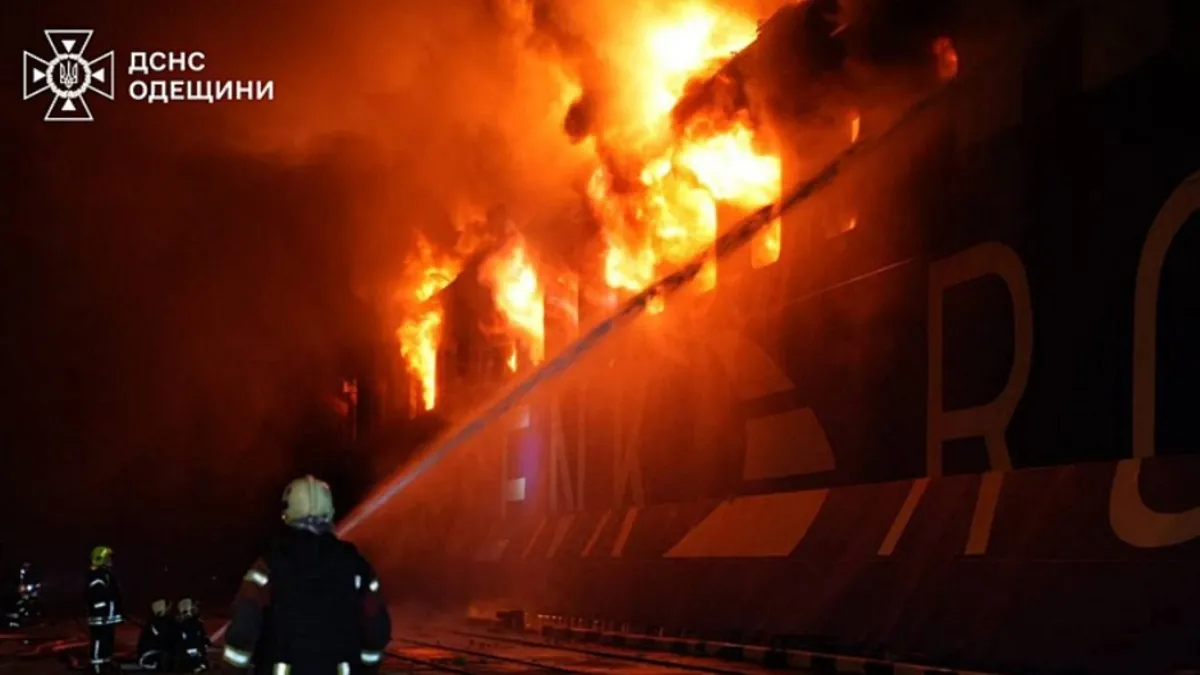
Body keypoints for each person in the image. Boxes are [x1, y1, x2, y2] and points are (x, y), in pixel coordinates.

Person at [222, 475, 391, 675]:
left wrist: (233, 670)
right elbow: (377, 630)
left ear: (287, 512)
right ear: (330, 512)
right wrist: (366, 669)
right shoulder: (358, 569)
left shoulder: (267, 568)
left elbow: (243, 630)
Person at [86, 546, 124, 675]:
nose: (110, 560)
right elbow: (97, 596)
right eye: (107, 558)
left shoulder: (107, 574)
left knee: (108, 640)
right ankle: (96, 665)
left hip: (107, 617)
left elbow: (113, 595)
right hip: (100, 617)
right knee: (99, 640)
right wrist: (103, 610)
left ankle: (106, 663)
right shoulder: (97, 575)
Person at [137, 599, 174, 671]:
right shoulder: (157, 623)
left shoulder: (163, 622)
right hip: (150, 656)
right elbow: (162, 640)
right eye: (166, 606)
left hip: (154, 654)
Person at [176, 598, 211, 672]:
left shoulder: (178, 624)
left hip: (184, 658)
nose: (196, 610)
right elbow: (202, 638)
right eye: (193, 608)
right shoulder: (195, 624)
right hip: (193, 656)